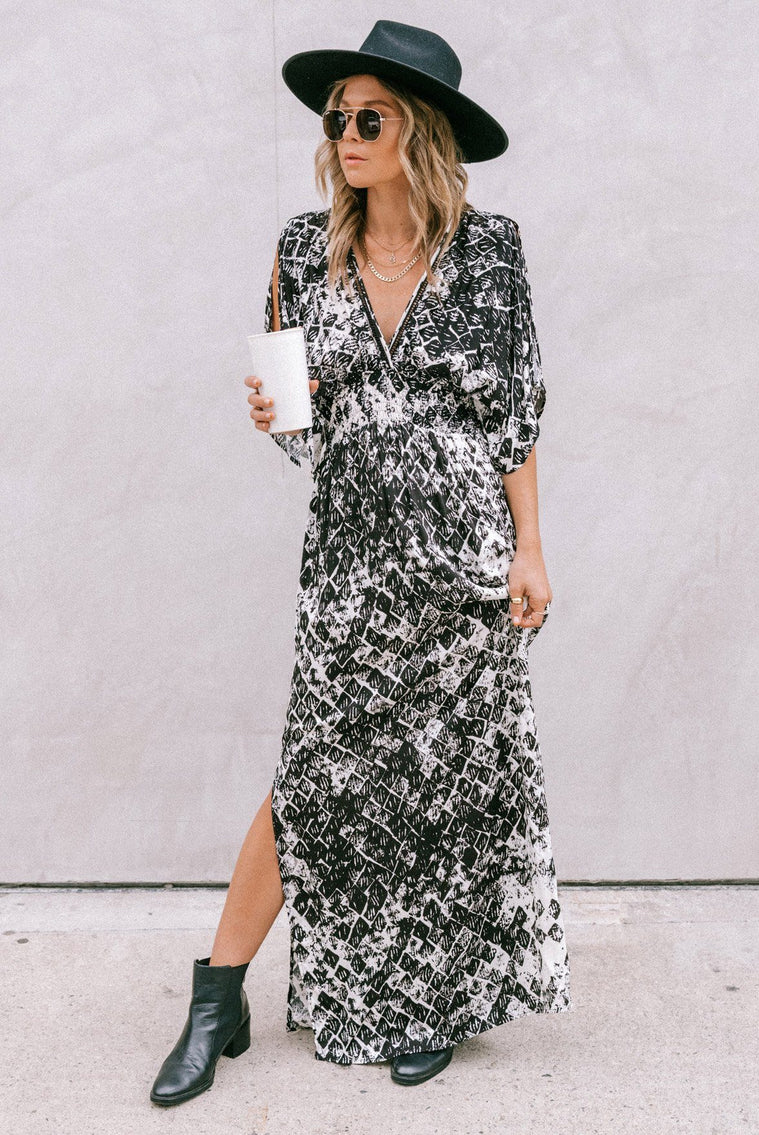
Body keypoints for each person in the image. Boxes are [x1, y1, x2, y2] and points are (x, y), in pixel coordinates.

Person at [150, 19, 571, 1106]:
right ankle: (218, 989)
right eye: (333, 115)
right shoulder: (302, 248)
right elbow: (303, 428)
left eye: (365, 114)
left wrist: (528, 547)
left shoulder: (491, 250)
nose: (343, 131)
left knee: (447, 779)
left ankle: (429, 995)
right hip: (350, 562)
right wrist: (277, 417)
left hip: (464, 560)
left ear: (415, 129)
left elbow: (514, 416)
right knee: (317, 779)